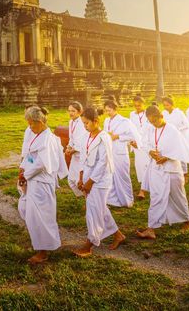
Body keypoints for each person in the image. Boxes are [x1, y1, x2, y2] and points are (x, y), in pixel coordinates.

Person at [136, 105, 189, 240]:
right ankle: (151, 228)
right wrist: (150, 151)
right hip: (157, 168)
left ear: (161, 116)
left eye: (155, 120)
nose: (153, 123)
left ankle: (187, 221)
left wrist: (166, 157)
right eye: (150, 121)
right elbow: (145, 142)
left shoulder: (172, 130)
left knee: (178, 197)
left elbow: (181, 148)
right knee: (156, 197)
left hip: (172, 169)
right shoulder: (151, 129)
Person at [17, 105, 68, 264]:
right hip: (34, 179)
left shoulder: (47, 138)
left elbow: (41, 164)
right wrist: (23, 169)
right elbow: (30, 156)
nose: (30, 127)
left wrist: (26, 174)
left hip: (41, 182)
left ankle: (43, 251)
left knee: (41, 216)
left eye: (31, 123)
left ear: (39, 121)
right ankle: (41, 243)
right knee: (31, 213)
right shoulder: (38, 135)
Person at [72, 107, 125, 256]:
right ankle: (118, 235)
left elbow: (103, 162)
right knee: (100, 208)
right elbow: (83, 157)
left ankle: (90, 243)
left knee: (93, 210)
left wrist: (91, 182)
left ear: (96, 121)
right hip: (88, 177)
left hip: (101, 180)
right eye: (83, 123)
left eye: (87, 123)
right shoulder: (86, 137)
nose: (85, 126)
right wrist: (82, 177)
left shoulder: (104, 137)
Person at [103, 100, 141, 207]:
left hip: (120, 151)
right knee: (111, 175)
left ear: (115, 109)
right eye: (106, 110)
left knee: (122, 175)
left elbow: (133, 136)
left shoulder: (125, 121)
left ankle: (127, 200)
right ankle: (112, 200)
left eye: (109, 110)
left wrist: (118, 136)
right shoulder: (106, 120)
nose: (107, 113)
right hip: (109, 151)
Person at [63, 101, 87, 197]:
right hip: (74, 154)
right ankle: (85, 196)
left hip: (82, 155)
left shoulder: (82, 122)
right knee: (71, 179)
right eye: (69, 111)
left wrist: (73, 150)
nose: (70, 113)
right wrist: (68, 147)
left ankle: (88, 199)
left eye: (73, 111)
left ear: (80, 111)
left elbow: (83, 140)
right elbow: (72, 138)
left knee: (81, 180)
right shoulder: (71, 122)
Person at [129, 96, 150, 200]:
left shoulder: (148, 114)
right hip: (136, 144)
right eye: (135, 105)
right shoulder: (132, 115)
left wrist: (141, 143)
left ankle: (143, 190)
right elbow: (131, 129)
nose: (137, 107)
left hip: (147, 144)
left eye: (139, 105)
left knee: (147, 165)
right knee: (139, 166)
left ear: (143, 104)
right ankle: (145, 185)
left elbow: (150, 130)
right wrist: (133, 141)